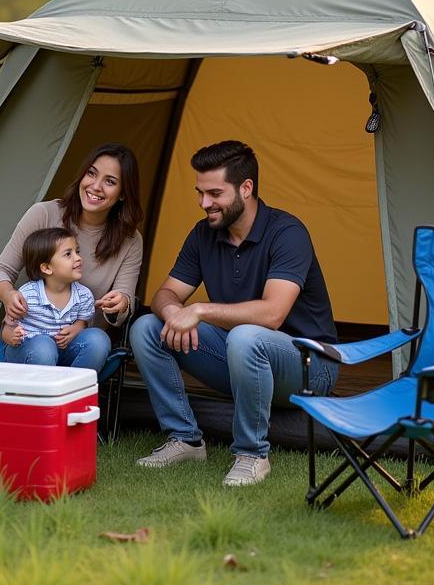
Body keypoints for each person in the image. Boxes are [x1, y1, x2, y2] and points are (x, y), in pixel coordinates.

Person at [131, 140, 338, 487]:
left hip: (310, 369)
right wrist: (173, 312)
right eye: (199, 193)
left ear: (246, 188)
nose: (204, 203)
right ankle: (185, 438)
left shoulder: (287, 233)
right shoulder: (203, 234)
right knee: (147, 328)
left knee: (246, 336)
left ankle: (251, 455)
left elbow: (272, 314)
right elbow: (165, 293)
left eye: (214, 193)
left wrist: (197, 309)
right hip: (242, 357)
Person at [0, 143, 143, 374]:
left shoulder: (130, 241)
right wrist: (8, 295)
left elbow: (122, 307)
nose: (95, 186)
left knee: (99, 341)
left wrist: (120, 303)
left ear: (122, 193)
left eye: (110, 181)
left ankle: (70, 406)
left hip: (79, 344)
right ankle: (38, 409)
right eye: (91, 173)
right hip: (29, 341)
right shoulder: (44, 214)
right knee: (43, 350)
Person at [1, 227, 99, 368]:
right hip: (27, 351)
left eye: (77, 251)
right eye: (68, 254)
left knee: (98, 339)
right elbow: (7, 328)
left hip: (63, 353)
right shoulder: (27, 295)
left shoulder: (84, 295)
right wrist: (11, 336)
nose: (78, 258)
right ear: (46, 268)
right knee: (44, 347)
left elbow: (82, 322)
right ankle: (40, 389)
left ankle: (73, 386)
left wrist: (77, 328)